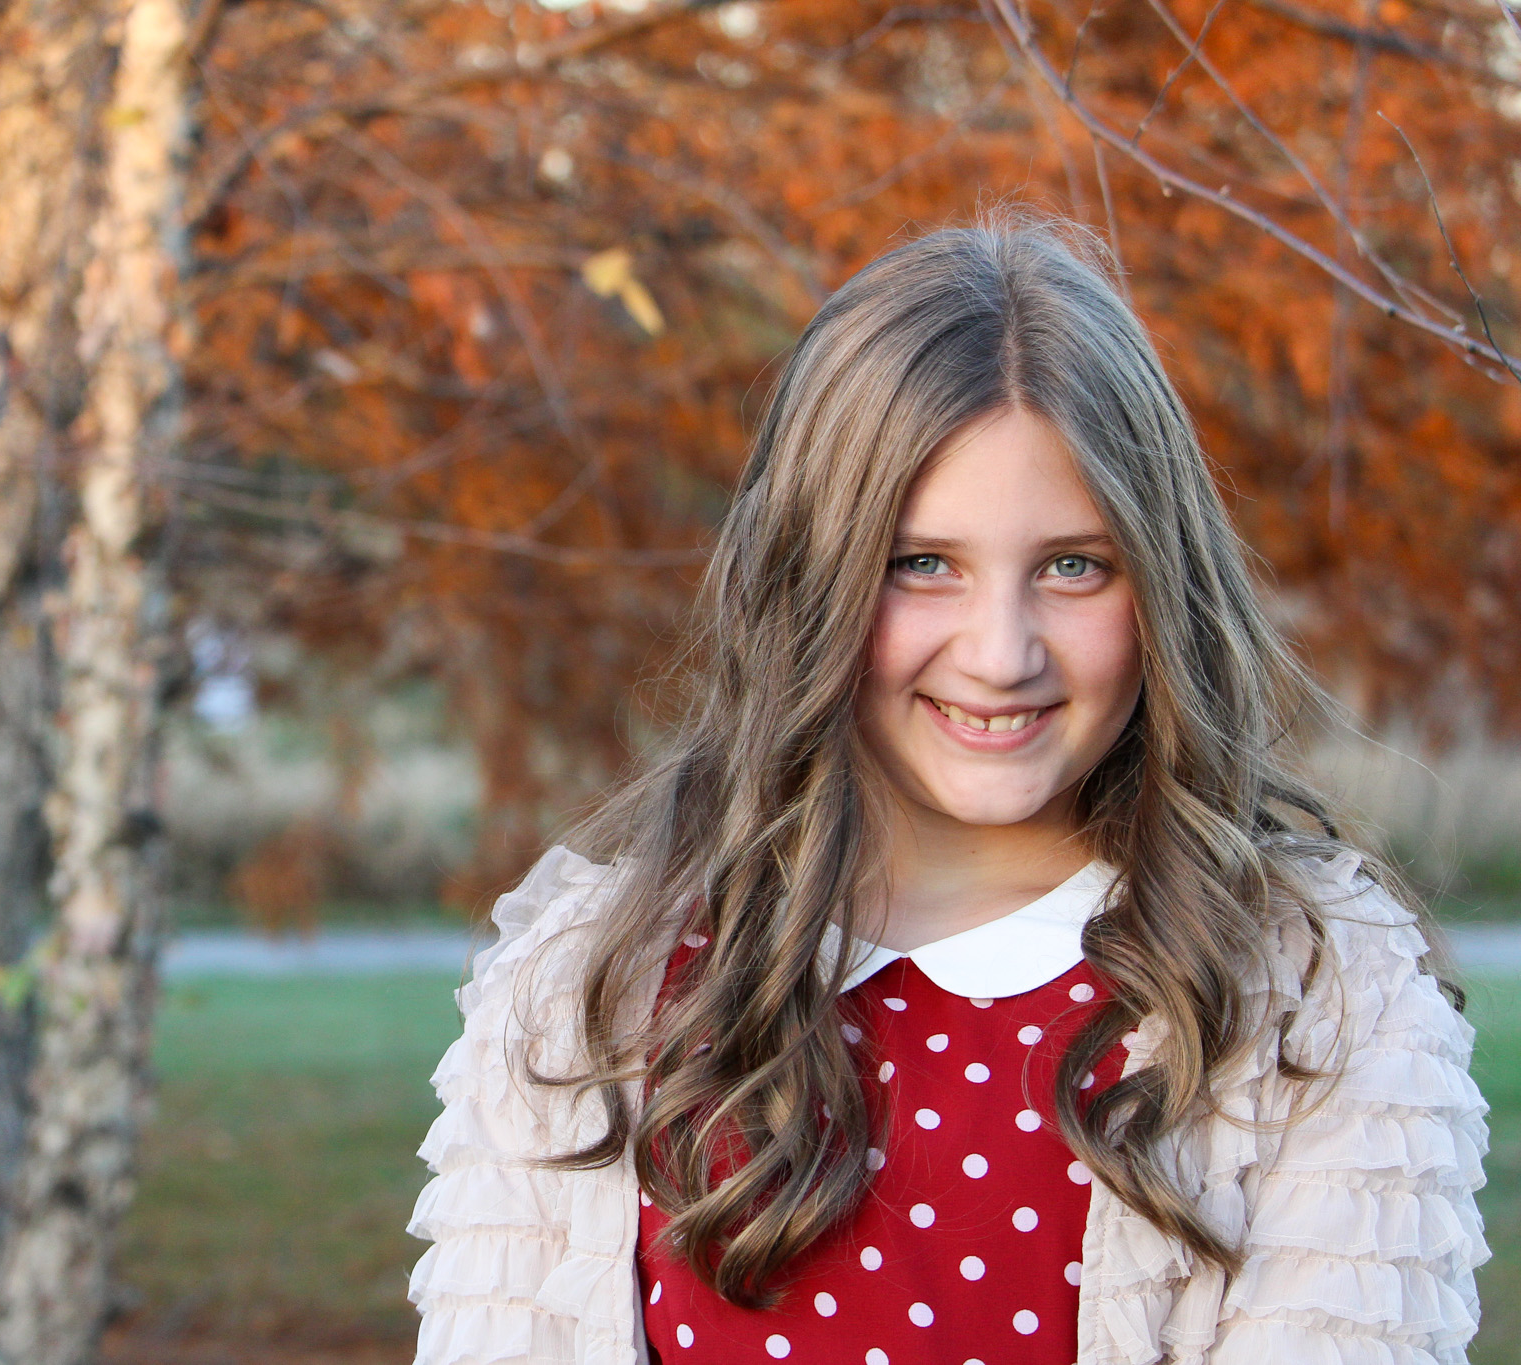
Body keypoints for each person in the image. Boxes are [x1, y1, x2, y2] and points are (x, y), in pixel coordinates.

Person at [404, 215, 1489, 1365]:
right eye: (921, 564)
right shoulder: (595, 991)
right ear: (808, 580)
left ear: (1160, 583)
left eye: (1074, 565)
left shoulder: (1310, 997)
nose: (999, 652)